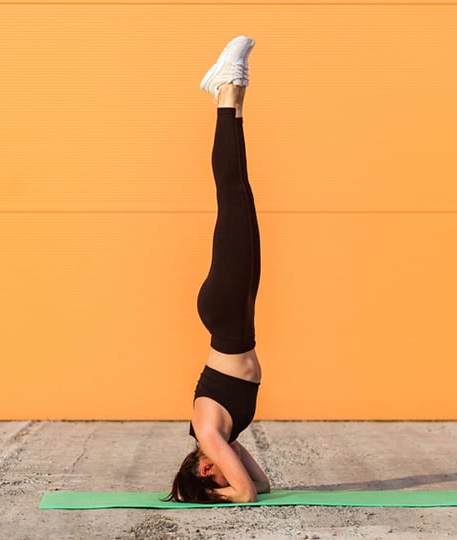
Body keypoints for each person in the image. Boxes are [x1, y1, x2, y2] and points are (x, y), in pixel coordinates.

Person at [166, 36, 271, 504]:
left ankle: (226, 90)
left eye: (214, 475)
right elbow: (262, 486)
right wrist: (230, 484)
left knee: (230, 196)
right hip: (235, 317)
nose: (221, 469)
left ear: (204, 469)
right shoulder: (220, 439)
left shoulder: (207, 433)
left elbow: (246, 494)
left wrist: (218, 494)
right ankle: (234, 102)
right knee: (242, 196)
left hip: (228, 315)